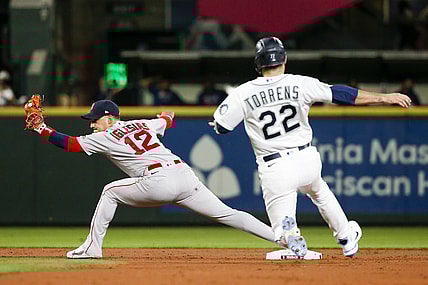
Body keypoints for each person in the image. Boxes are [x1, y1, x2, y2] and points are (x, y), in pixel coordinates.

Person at [209, 37, 412, 257]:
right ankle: (346, 237)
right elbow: (342, 94)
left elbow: (222, 127)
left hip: (275, 167)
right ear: (284, 58)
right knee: (319, 191)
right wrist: (385, 97)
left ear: (258, 64)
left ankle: (290, 232)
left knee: (281, 232)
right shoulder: (300, 83)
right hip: (306, 159)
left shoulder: (244, 92)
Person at [26, 99, 276, 259]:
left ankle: (93, 248)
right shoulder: (143, 123)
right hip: (185, 175)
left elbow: (68, 144)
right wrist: (166, 116)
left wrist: (40, 128)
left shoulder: (105, 136)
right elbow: (167, 117)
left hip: (159, 181)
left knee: (110, 191)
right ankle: (284, 238)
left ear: (109, 117)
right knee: (228, 213)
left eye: (95, 119)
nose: (92, 125)